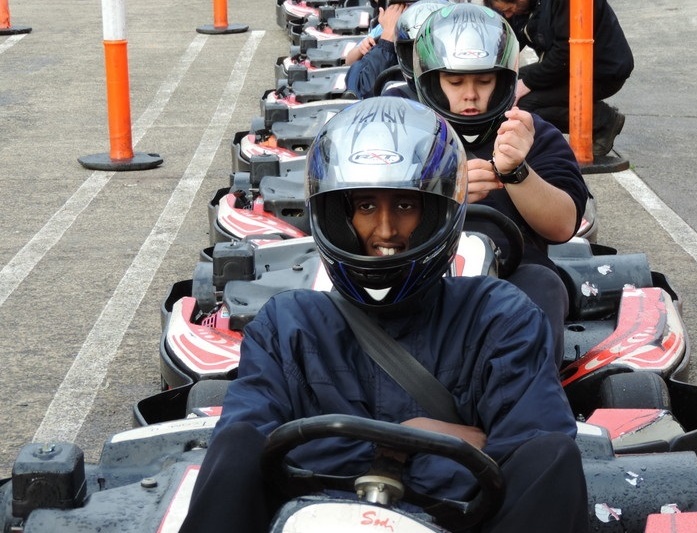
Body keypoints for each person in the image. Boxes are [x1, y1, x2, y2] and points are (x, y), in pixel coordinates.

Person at [178, 97, 589, 533]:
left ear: (438, 213)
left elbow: (529, 447)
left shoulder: (500, 316)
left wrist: (335, 446)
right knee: (236, 443)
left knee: (554, 457)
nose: (387, 230)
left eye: (406, 207)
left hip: (450, 523)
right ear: (336, 216)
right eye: (367, 207)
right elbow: (256, 446)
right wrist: (415, 439)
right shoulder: (288, 324)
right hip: (313, 521)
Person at [413, 3, 590, 365]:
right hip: (413, 268)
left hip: (512, 273)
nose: (471, 95)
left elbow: (563, 226)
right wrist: (445, 193)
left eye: (483, 80)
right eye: (456, 81)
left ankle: (526, 394)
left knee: (544, 284)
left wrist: (516, 173)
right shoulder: (406, 135)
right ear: (432, 80)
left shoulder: (533, 134)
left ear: (504, 79)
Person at [485, 0, 633, 157]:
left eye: (510, 8)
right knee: (503, 87)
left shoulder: (564, 4)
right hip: (564, 66)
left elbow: (564, 53)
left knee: (522, 104)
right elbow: (512, 40)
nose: (508, 14)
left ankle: (603, 120)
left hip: (600, 72)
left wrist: (527, 83)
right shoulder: (525, 8)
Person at [343, 2, 407, 98]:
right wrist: (362, 50)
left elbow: (366, 92)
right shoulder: (383, 28)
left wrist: (386, 42)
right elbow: (349, 60)